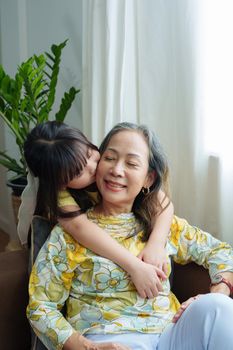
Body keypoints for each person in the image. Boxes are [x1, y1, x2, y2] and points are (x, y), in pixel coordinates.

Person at [27, 122, 233, 350]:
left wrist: (218, 291)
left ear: (148, 179)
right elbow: (41, 306)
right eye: (110, 158)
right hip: (110, 341)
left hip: (171, 336)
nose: (116, 170)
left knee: (218, 307)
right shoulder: (67, 234)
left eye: (132, 163)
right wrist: (89, 347)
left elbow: (221, 252)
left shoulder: (162, 224)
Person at [21, 121, 174, 299]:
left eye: (90, 155)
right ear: (63, 182)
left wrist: (156, 244)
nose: (94, 167)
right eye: (79, 172)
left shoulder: (111, 170)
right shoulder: (60, 196)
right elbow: (81, 229)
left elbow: (162, 201)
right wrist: (134, 266)